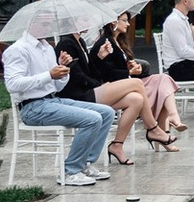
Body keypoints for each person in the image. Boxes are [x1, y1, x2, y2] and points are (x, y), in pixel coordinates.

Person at [3, 28, 116, 186]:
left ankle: (84, 163)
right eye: (45, 21)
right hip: (32, 107)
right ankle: (70, 170)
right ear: (31, 23)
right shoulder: (18, 49)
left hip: (52, 100)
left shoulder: (48, 48)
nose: (49, 25)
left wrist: (63, 69)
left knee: (106, 113)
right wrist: (49, 75)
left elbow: (57, 87)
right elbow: (12, 85)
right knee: (92, 119)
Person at [66, 22, 178, 162]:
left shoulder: (81, 42)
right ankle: (153, 128)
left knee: (136, 99)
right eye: (84, 19)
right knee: (137, 83)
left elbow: (91, 71)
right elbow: (77, 77)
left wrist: (99, 57)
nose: (88, 22)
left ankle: (117, 145)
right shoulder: (67, 44)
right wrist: (102, 82)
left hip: (94, 89)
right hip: (82, 95)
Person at [92, 12, 185, 134]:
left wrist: (131, 66)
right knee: (160, 91)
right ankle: (157, 130)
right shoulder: (105, 43)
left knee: (164, 79)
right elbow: (107, 73)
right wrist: (129, 71)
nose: (128, 24)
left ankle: (172, 117)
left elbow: (118, 66)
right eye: (124, 20)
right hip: (118, 86)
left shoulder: (119, 40)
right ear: (114, 22)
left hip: (129, 80)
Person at [161, 0, 194, 82]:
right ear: (185, 1)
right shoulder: (174, 21)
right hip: (177, 68)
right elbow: (183, 51)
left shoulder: (182, 19)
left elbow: (191, 47)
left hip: (185, 63)